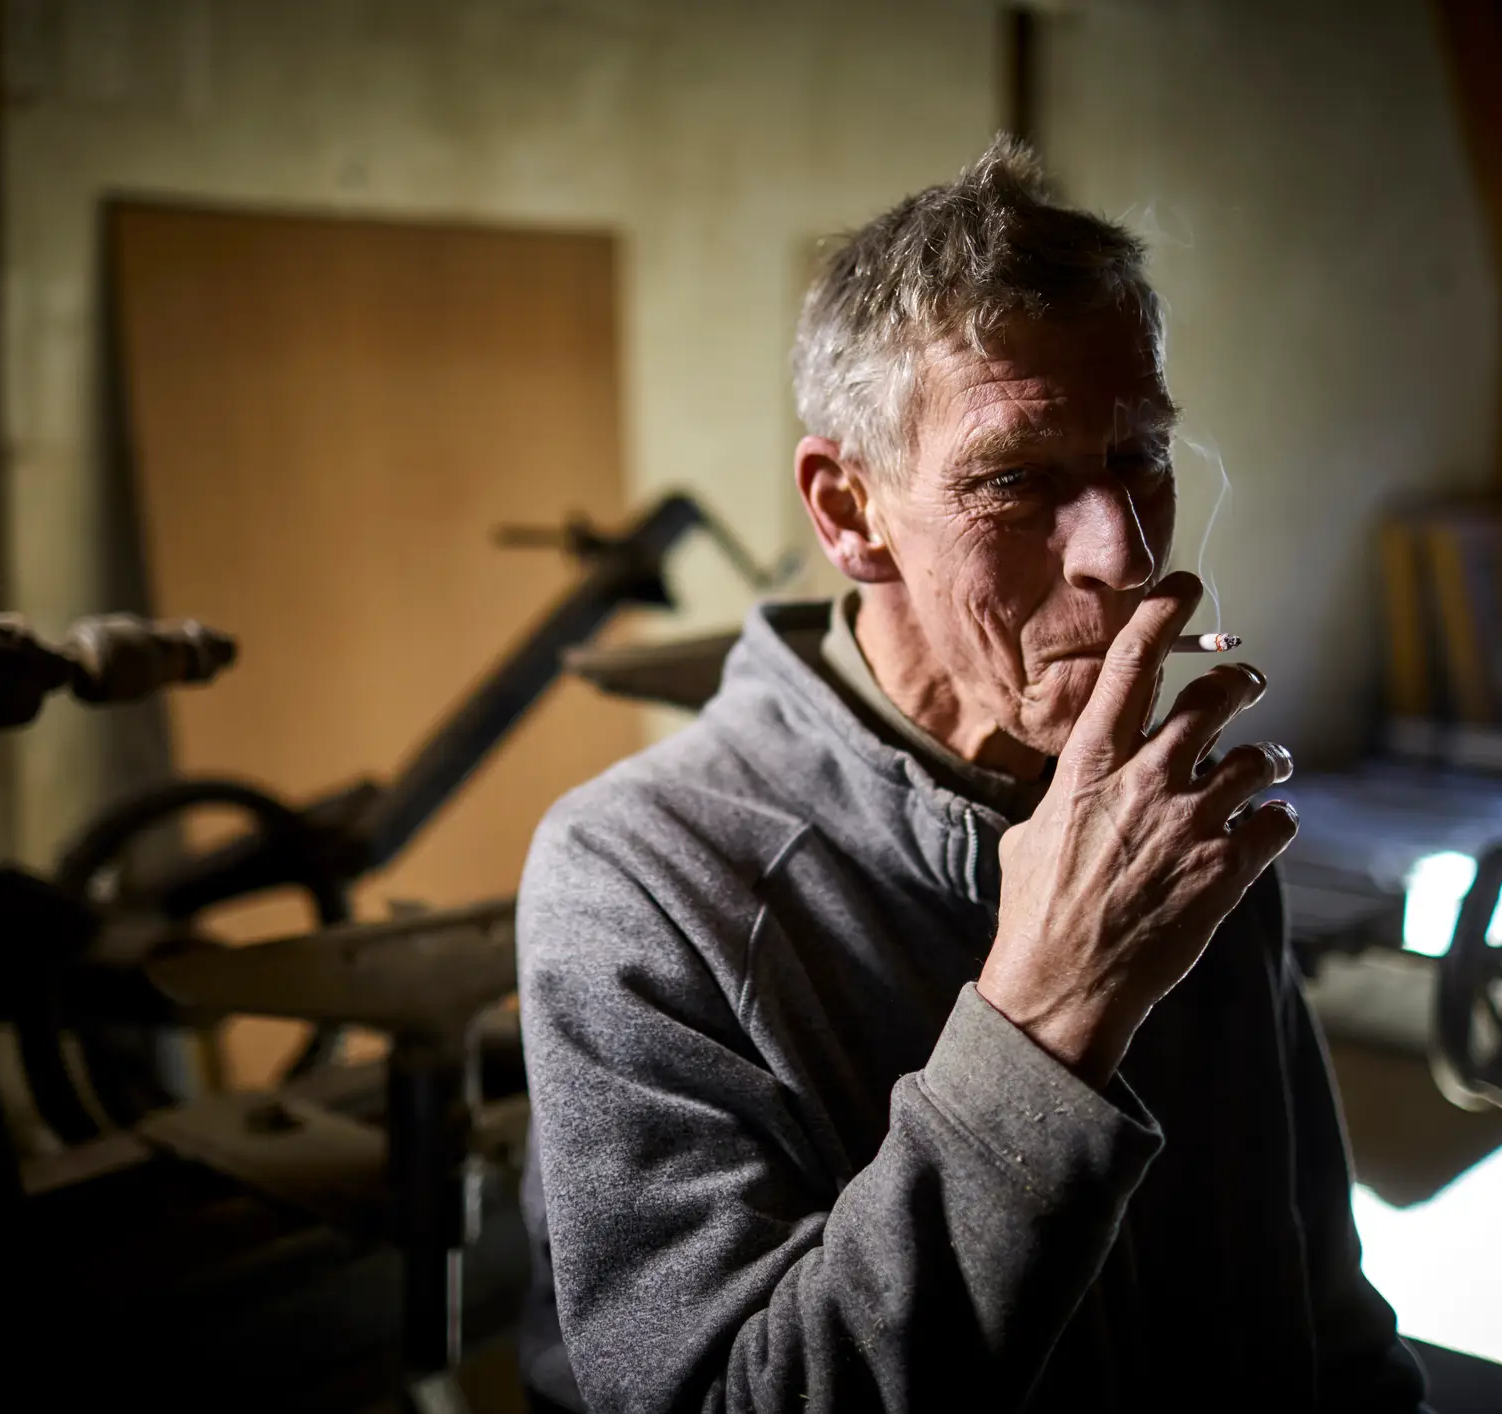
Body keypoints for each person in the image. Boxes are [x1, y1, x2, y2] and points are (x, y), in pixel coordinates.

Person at [515, 136, 1424, 1413]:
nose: (1121, 548)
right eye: (1016, 479)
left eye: (1138, 455)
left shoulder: (1167, 823)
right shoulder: (638, 881)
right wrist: (1048, 1015)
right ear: (847, 512)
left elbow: (1319, 1319)